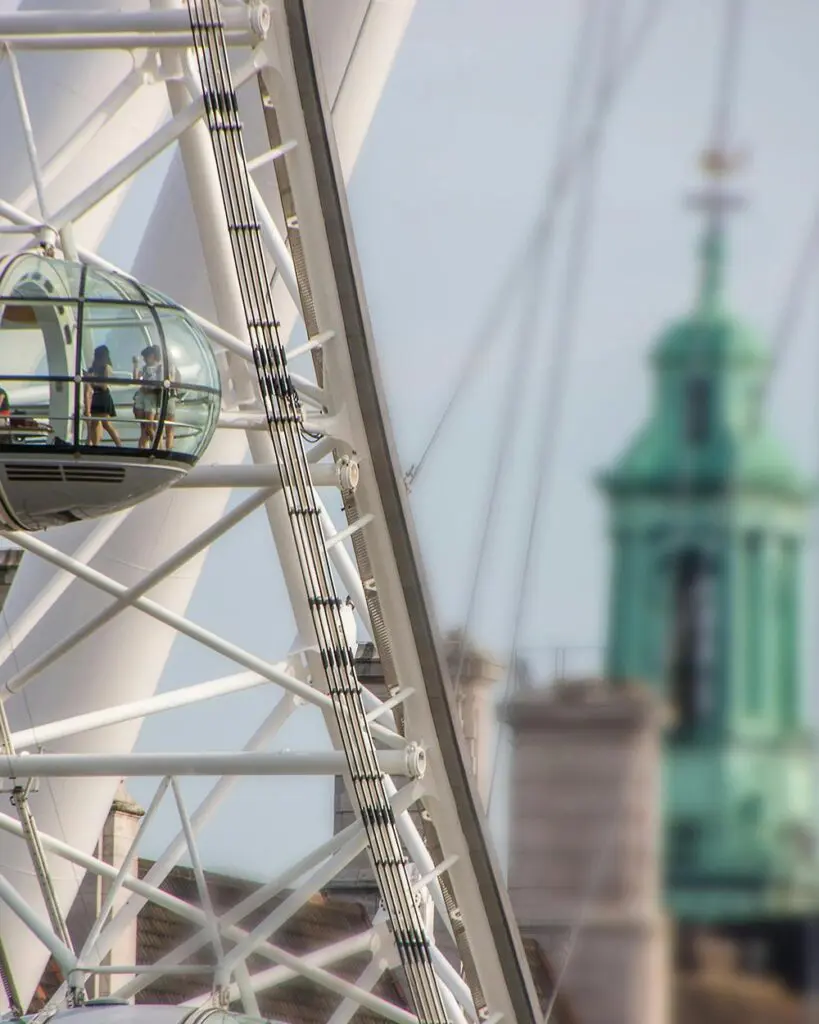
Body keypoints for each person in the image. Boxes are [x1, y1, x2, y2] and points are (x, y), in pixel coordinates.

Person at [84, 345, 122, 447]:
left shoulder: (106, 367)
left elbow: (104, 386)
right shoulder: (92, 368)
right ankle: (94, 445)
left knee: (106, 424)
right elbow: (88, 386)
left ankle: (119, 445)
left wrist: (93, 380)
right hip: (95, 398)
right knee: (94, 424)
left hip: (103, 397)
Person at [133, 345, 163, 449]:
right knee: (144, 427)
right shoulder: (145, 368)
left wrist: (149, 389)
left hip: (152, 398)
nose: (145, 359)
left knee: (149, 427)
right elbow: (136, 379)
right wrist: (135, 366)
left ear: (152, 355)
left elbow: (161, 384)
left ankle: (157, 448)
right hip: (143, 397)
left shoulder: (159, 368)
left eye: (146, 356)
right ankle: (144, 449)